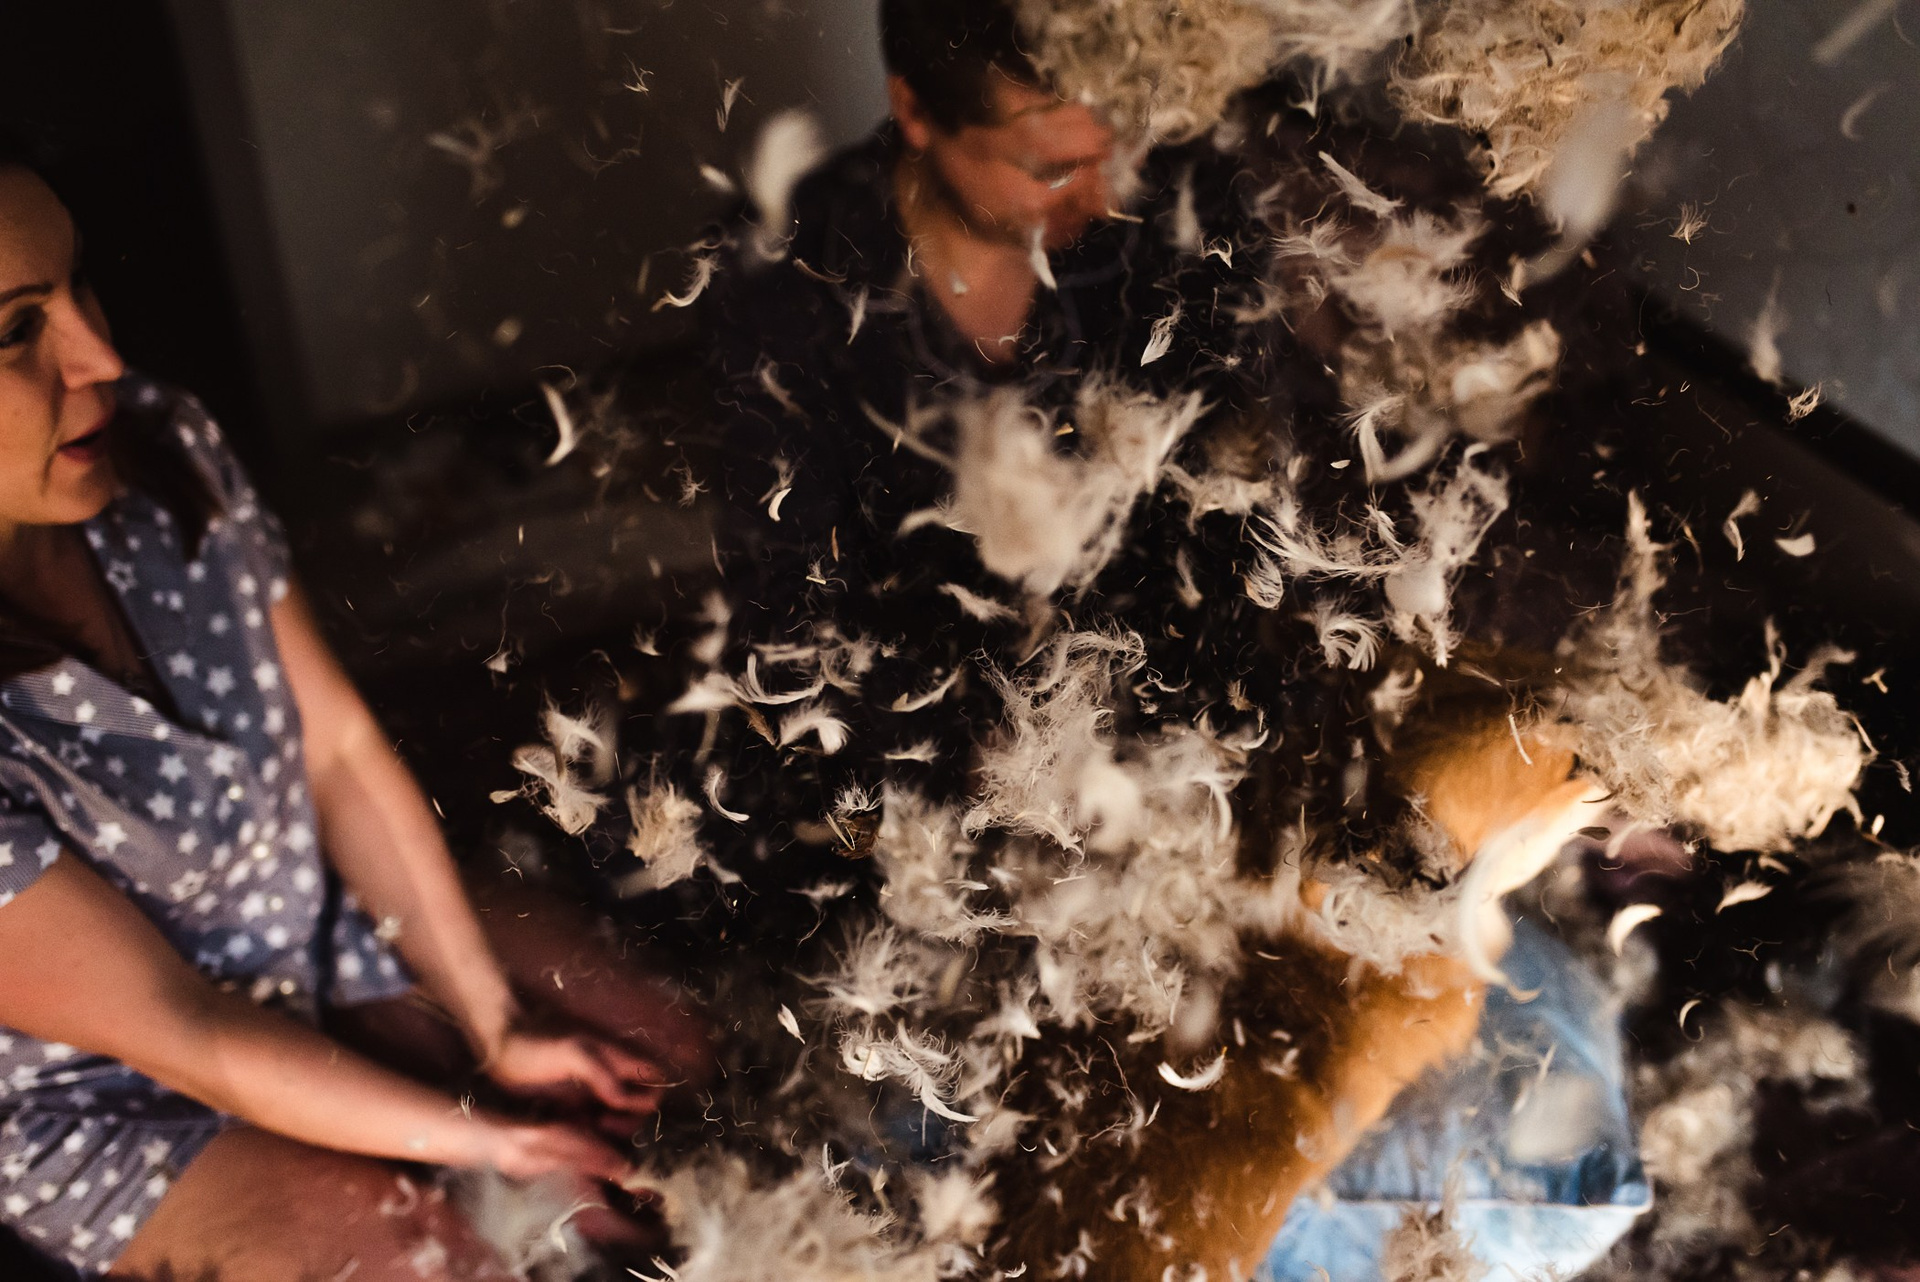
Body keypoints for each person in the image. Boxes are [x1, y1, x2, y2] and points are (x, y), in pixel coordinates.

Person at [0, 136, 705, 1280]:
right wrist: (504, 1141)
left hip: (314, 916)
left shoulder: (157, 446)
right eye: (15, 330)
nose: (101, 356)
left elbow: (331, 750)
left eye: (79, 285)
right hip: (133, 1088)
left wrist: (496, 1027)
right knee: (436, 1255)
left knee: (665, 1060)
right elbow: (187, 1030)